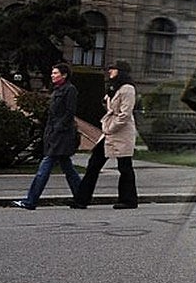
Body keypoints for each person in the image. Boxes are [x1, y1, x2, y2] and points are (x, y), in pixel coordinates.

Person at [12, 63, 82, 210]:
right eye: (52, 73)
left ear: (64, 75)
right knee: (68, 168)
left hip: (61, 136)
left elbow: (69, 113)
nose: (52, 75)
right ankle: (81, 197)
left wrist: (57, 129)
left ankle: (31, 200)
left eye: (55, 73)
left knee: (44, 168)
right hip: (54, 134)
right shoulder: (57, 90)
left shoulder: (70, 90)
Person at [72, 61, 140, 209]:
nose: (110, 71)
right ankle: (82, 199)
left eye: (113, 69)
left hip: (121, 133)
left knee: (124, 166)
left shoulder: (128, 89)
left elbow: (125, 114)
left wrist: (110, 127)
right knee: (94, 163)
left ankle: (128, 200)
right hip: (109, 132)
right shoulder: (113, 88)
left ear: (121, 71)